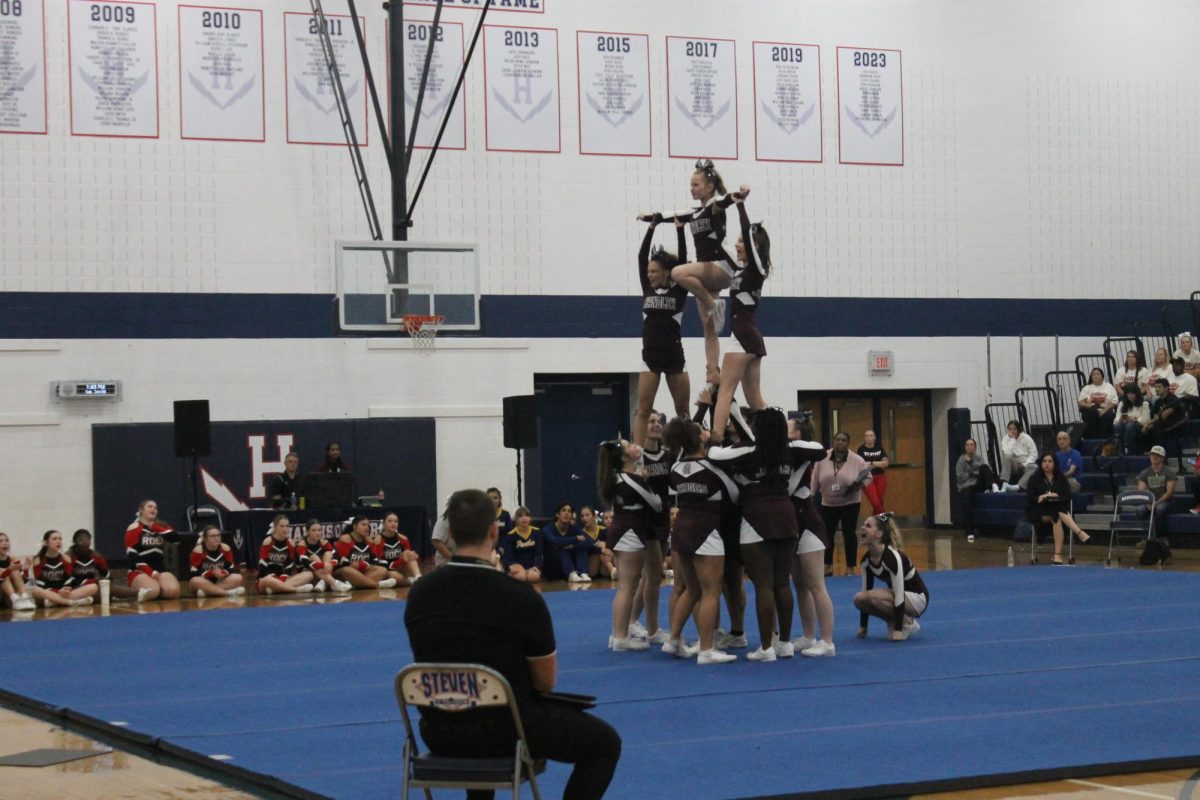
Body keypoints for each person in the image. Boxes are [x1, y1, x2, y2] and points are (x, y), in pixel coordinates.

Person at [404, 489, 622, 800]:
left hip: (439, 729)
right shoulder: (520, 597)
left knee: (476, 703)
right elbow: (546, 680)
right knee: (605, 744)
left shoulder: (420, 594)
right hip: (507, 729)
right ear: (494, 531)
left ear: (450, 533)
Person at [706, 408, 800, 662]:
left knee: (764, 586)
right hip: (787, 517)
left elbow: (714, 454)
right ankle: (786, 643)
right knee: (782, 583)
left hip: (757, 519)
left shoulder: (750, 450)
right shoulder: (789, 452)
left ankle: (766, 647)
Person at [649, 161, 740, 370]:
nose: (692, 188)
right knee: (709, 329)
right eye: (691, 184)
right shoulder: (692, 212)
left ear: (709, 187)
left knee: (677, 272)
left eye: (696, 184)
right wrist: (648, 218)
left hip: (721, 267)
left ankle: (712, 303)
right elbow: (668, 216)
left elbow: (725, 200)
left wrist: (737, 196)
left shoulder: (714, 205)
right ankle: (713, 372)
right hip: (706, 273)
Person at [662, 417, 738, 664]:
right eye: (703, 430)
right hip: (706, 528)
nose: (708, 431)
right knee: (711, 591)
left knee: (691, 588)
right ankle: (706, 649)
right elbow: (735, 493)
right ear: (697, 439)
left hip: (681, 529)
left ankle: (673, 639)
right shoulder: (713, 466)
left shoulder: (675, 467)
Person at [709, 188, 771, 443]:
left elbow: (747, 232)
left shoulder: (757, 269)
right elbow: (719, 249)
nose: (737, 244)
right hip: (748, 336)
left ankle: (716, 439)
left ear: (754, 246)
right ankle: (777, 438)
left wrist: (740, 206)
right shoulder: (741, 271)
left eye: (742, 241)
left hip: (744, 336)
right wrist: (712, 223)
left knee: (724, 390)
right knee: (754, 399)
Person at [630, 213, 690, 444]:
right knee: (644, 409)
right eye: (647, 272)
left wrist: (680, 230)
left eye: (653, 271)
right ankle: (637, 455)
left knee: (682, 410)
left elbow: (684, 263)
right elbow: (641, 256)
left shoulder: (679, 290)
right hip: (651, 356)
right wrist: (652, 227)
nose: (649, 275)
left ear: (666, 272)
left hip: (674, 355)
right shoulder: (647, 288)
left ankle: (688, 451)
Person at [597, 437, 662, 651]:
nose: (636, 446)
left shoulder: (617, 477)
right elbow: (657, 503)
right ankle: (621, 638)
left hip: (623, 530)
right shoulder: (630, 479)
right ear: (624, 457)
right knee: (627, 587)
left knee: (625, 587)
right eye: (630, 445)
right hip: (629, 532)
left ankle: (618, 634)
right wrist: (643, 478)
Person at [786, 415, 836, 657]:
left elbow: (787, 489)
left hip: (808, 524)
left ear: (797, 434)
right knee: (800, 586)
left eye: (788, 427)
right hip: (792, 525)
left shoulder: (805, 456)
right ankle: (808, 635)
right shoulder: (789, 456)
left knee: (816, 585)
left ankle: (827, 641)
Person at [854, 513, 928, 641]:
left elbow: (898, 595)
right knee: (860, 600)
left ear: (879, 534)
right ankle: (903, 622)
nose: (863, 528)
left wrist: (898, 631)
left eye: (868, 526)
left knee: (872, 596)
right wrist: (863, 627)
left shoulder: (892, 558)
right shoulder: (866, 561)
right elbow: (865, 592)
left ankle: (904, 625)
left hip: (917, 598)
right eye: (863, 525)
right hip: (898, 597)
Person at [811, 432, 872, 576]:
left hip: (850, 503)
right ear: (834, 441)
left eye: (843, 440)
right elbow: (814, 479)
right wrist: (811, 495)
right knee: (827, 534)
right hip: (827, 503)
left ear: (848, 443)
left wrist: (860, 485)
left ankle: (850, 566)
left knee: (849, 534)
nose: (840, 442)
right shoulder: (822, 458)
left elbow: (868, 477)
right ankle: (828, 565)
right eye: (837, 440)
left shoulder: (857, 460)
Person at [1025, 453, 1082, 565]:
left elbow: (1067, 497)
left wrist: (1056, 496)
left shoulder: (1061, 478)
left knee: (1056, 515)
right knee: (1057, 513)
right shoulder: (1034, 479)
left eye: (1050, 461)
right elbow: (1029, 498)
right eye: (1044, 461)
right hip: (1039, 511)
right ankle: (1078, 532)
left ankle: (1057, 556)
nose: (1047, 464)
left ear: (1054, 463)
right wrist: (1041, 497)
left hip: (1057, 511)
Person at [125, 499, 180, 602]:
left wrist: (157, 528)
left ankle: (158, 590)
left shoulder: (161, 526)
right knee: (153, 590)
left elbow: (176, 538)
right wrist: (149, 572)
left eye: (155, 507)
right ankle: (142, 590)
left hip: (159, 568)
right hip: (139, 570)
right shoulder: (134, 527)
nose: (153, 509)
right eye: (150, 506)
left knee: (172, 591)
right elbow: (132, 555)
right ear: (141, 510)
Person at [29, 530, 97, 607]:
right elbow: (40, 585)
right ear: (46, 543)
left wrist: (66, 590)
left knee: (93, 587)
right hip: (47, 592)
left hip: (64, 593)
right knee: (35, 590)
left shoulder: (66, 559)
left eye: (60, 539)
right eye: (54, 539)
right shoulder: (38, 560)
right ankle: (71, 602)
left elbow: (68, 581)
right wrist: (58, 592)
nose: (58, 541)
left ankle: (58, 602)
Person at [334, 516, 397, 591]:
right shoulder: (346, 539)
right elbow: (342, 562)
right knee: (348, 570)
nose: (366, 527)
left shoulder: (369, 541)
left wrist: (361, 564)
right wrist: (356, 565)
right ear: (354, 526)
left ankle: (355, 585)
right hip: (343, 572)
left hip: (362, 573)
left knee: (382, 570)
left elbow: (375, 561)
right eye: (363, 525)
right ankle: (377, 585)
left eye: (368, 525)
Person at [258, 515, 316, 595]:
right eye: (281, 526)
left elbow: (289, 566)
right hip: (266, 579)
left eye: (287, 526)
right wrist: (274, 578)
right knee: (268, 579)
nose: (285, 529)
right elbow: (262, 566)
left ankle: (276, 589)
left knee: (309, 574)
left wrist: (281, 578)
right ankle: (295, 590)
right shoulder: (268, 541)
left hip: (283, 579)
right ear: (275, 527)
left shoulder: (290, 544)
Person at [543, 502, 597, 583]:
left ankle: (583, 573)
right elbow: (555, 541)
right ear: (557, 514)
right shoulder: (547, 529)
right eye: (564, 510)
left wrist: (573, 546)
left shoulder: (574, 528)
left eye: (569, 511)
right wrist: (575, 538)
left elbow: (589, 542)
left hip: (574, 568)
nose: (567, 513)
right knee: (561, 547)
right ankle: (571, 573)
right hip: (554, 569)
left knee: (581, 548)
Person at [955, 438, 996, 540]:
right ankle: (969, 531)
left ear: (975, 447)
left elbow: (982, 469)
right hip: (966, 486)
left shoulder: (978, 458)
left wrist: (971, 463)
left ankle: (993, 485)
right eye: (967, 445)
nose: (969, 446)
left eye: (971, 444)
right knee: (967, 501)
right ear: (965, 447)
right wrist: (973, 471)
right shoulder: (961, 460)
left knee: (985, 467)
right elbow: (961, 476)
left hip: (977, 483)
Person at [188, 525, 245, 596]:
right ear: (205, 538)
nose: (216, 538)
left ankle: (208, 592)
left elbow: (231, 568)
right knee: (195, 581)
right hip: (203, 581)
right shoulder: (199, 550)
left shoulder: (225, 548)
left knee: (238, 577)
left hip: (220, 581)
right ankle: (227, 593)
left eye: (218, 535)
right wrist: (212, 573)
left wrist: (222, 572)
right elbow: (194, 573)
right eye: (212, 536)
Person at [296, 519, 352, 592]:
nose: (317, 533)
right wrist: (323, 565)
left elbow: (336, 557)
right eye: (314, 530)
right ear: (307, 532)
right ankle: (334, 583)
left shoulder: (324, 542)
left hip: (324, 571)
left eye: (319, 530)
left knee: (328, 553)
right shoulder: (302, 544)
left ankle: (323, 582)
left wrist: (328, 564)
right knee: (314, 557)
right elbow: (305, 562)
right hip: (306, 573)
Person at [1137, 445, 1179, 533]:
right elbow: (1141, 491)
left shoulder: (1169, 472)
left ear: (1163, 458)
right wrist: (1148, 503)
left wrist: (1156, 503)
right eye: (1153, 454)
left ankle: (1156, 535)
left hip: (1166, 501)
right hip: (1150, 501)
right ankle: (1145, 536)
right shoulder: (1144, 472)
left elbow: (1169, 492)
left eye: (1158, 455)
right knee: (1140, 510)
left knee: (1160, 509)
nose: (1155, 457)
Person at [376, 511, 422, 587]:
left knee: (408, 553)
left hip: (401, 568)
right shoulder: (378, 540)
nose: (393, 524)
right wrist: (402, 561)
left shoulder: (403, 538)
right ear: (384, 523)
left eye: (396, 521)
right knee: (393, 576)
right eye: (390, 521)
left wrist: (416, 556)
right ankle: (411, 581)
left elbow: (410, 560)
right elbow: (381, 566)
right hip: (388, 570)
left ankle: (418, 577)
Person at [500, 507, 544, 584]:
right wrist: (511, 566)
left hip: (531, 564)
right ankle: (511, 577)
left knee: (534, 577)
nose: (524, 518)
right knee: (520, 577)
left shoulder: (537, 532)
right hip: (517, 564)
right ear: (516, 520)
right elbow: (508, 556)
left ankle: (526, 575)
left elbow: (539, 553)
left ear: (530, 518)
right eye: (520, 516)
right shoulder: (511, 535)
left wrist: (537, 566)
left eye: (526, 516)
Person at [1142, 378, 1185, 449]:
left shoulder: (1173, 399)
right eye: (1156, 387)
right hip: (1161, 424)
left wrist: (1149, 423)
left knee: (1156, 428)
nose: (1157, 389)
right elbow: (1155, 416)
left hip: (1175, 424)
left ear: (1166, 388)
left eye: (1159, 387)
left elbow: (1163, 416)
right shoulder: (1157, 402)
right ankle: (1146, 452)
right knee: (1145, 430)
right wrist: (1149, 425)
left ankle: (1160, 452)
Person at [1077, 367, 1118, 438]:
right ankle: (1091, 440)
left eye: (1098, 374)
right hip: (1091, 410)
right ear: (1091, 377)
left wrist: (1104, 411)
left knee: (1106, 418)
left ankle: (1105, 440)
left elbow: (1114, 401)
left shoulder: (1109, 386)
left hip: (1106, 410)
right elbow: (1080, 402)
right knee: (1090, 416)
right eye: (1093, 375)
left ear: (1102, 376)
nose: (1095, 376)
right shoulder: (1087, 388)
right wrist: (1090, 406)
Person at [998, 420, 1038, 490]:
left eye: (1014, 429)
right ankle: (1004, 484)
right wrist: (1013, 440)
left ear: (1018, 429)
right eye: (1010, 429)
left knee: (1035, 467)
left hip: (1026, 464)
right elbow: (1008, 454)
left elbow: (1034, 454)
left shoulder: (1026, 438)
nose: (1012, 431)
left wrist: (1024, 464)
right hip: (1014, 465)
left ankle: (1018, 486)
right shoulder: (1005, 439)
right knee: (1007, 458)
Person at [857, 430, 890, 516]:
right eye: (867, 436)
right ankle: (885, 520)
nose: (869, 437)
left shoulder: (879, 448)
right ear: (864, 438)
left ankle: (876, 522)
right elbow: (861, 465)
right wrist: (878, 463)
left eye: (871, 435)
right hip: (867, 477)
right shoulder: (861, 449)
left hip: (880, 477)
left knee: (879, 501)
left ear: (874, 437)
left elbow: (885, 463)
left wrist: (871, 463)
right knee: (875, 502)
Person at [0, 532, 35, 610]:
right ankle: (15, 599)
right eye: (1, 541)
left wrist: (26, 570)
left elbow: (29, 584)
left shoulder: (13, 559)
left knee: (14, 571)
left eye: (6, 540)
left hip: (9, 597)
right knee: (4, 572)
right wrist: (8, 570)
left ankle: (24, 597)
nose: (4, 543)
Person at [1114, 383, 1151, 454]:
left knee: (1130, 426)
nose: (1130, 395)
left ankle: (1129, 449)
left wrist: (1134, 420)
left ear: (1137, 394)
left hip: (1138, 426)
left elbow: (1146, 419)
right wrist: (1121, 419)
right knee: (1117, 426)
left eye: (1132, 393)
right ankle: (1120, 450)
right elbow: (1116, 419)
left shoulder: (1144, 404)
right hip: (1124, 424)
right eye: (1128, 393)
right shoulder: (1122, 403)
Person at [579, 505, 613, 579]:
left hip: (604, 567)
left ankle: (612, 570)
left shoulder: (604, 530)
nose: (585, 518)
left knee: (602, 544)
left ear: (594, 516)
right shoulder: (581, 534)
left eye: (587, 515)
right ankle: (612, 569)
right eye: (582, 516)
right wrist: (599, 549)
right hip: (592, 567)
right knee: (600, 546)